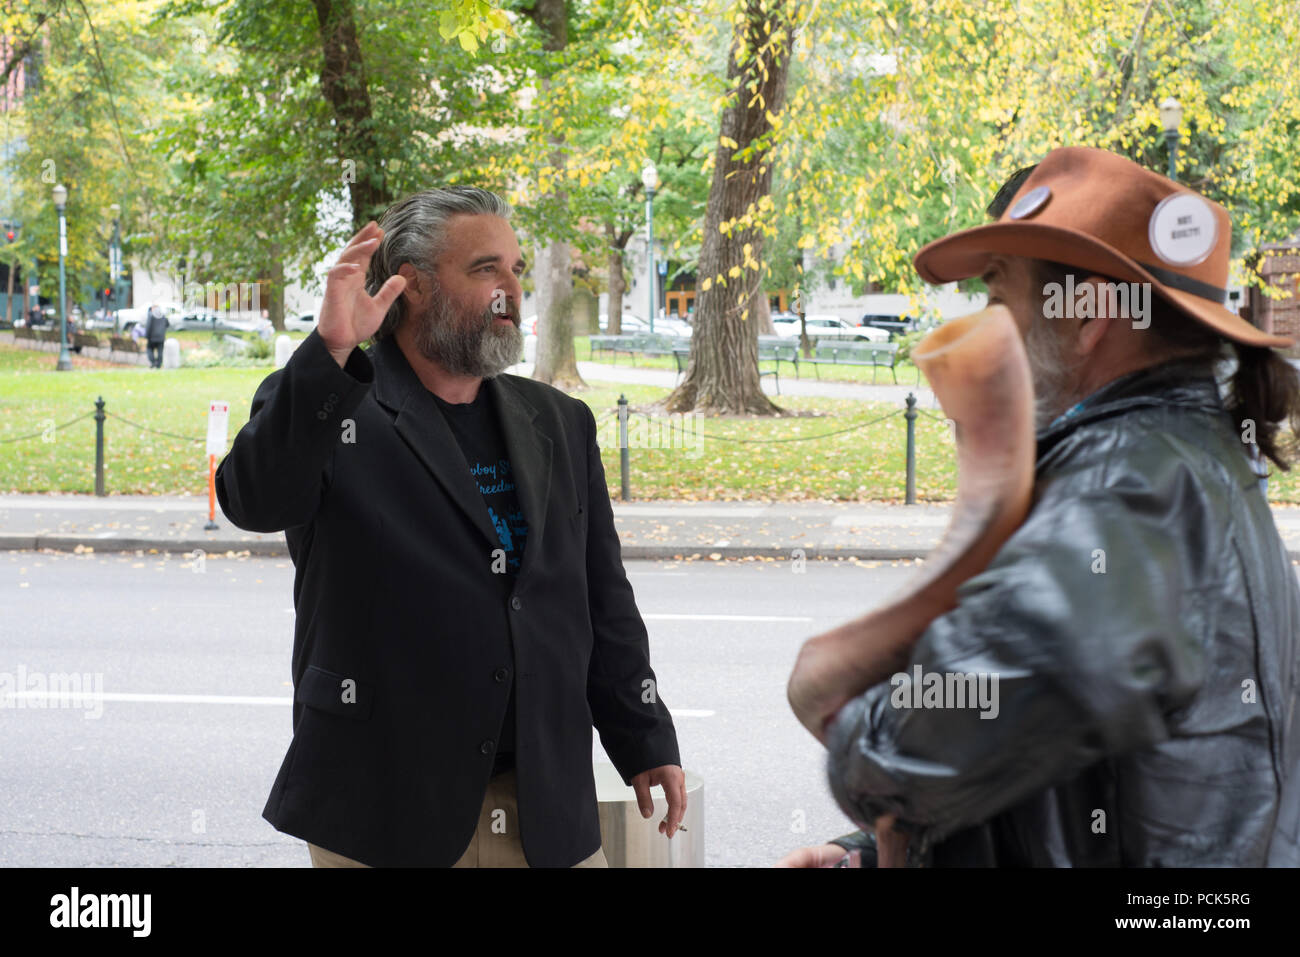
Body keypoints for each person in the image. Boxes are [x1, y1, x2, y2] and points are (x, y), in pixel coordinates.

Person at [782, 145, 1300, 867]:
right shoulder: (1182, 461)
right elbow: (1056, 765)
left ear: (1088, 315)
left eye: (999, 297)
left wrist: (866, 746)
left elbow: (1015, 680)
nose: (986, 328)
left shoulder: (1126, 480)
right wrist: (869, 853)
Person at [215, 186, 685, 867]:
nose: (511, 292)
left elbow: (600, 600)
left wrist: (644, 737)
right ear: (415, 288)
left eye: (517, 269)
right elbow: (251, 499)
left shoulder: (559, 421)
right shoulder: (336, 403)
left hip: (545, 810)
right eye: (485, 269)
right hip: (386, 807)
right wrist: (328, 355)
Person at [144, 304, 169, 368]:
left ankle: (153, 362)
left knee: (149, 349)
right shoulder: (163, 315)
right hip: (161, 337)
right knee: (160, 351)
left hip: (152, 337)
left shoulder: (151, 315)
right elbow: (167, 324)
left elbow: (148, 326)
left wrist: (146, 336)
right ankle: (158, 365)